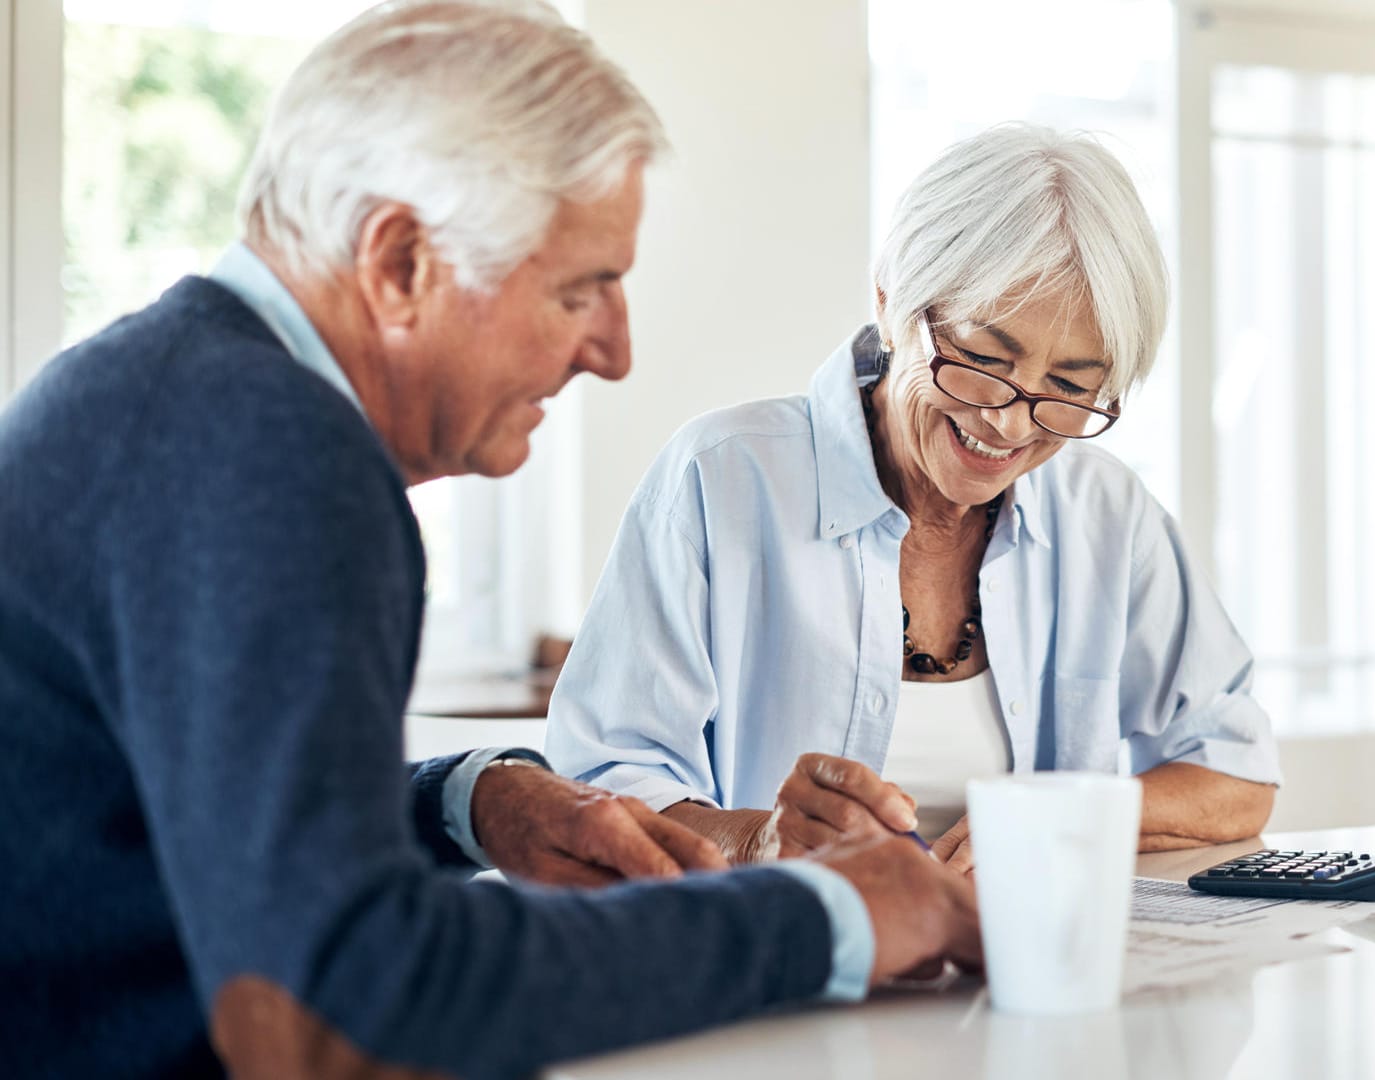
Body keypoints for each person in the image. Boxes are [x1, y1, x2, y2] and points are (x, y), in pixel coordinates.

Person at [0, 4, 976, 1078]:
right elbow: (357, 1000)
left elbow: (211, 819)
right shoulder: (271, 453)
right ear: (402, 262)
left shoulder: (169, 390)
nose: (615, 350)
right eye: (580, 289)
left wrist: (470, 798)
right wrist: (824, 916)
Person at [546, 124, 1281, 870]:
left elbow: (1235, 770)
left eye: (1066, 388)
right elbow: (598, 788)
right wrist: (756, 841)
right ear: (893, 302)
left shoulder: (1107, 513)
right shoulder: (722, 480)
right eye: (984, 359)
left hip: (1033, 965)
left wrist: (1061, 818)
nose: (1009, 422)